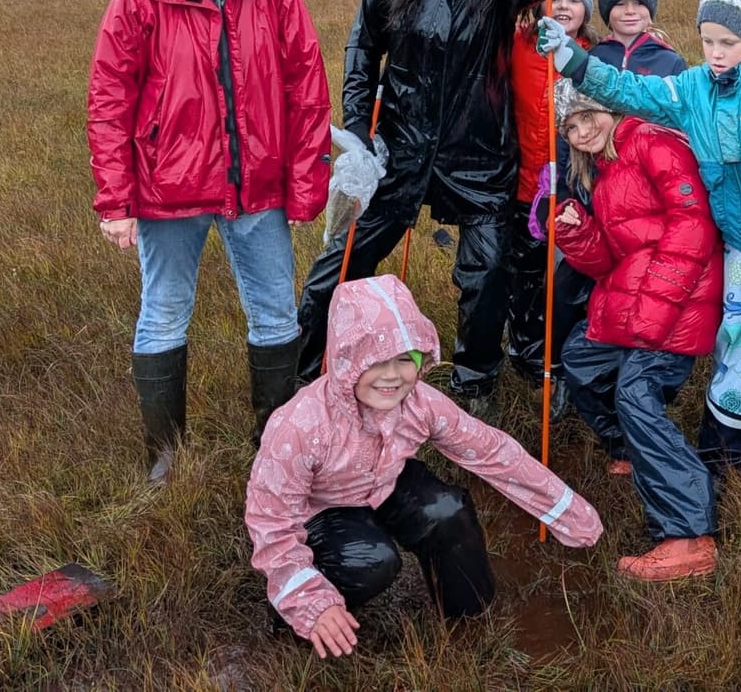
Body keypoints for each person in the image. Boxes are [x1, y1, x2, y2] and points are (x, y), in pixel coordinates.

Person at [292, 0, 574, 417]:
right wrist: (357, 129)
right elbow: (363, 47)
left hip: (480, 153)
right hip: (400, 145)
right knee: (344, 261)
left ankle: (475, 380)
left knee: (488, 270)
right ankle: (300, 376)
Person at [87, 0, 332, 484]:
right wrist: (114, 200)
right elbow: (109, 99)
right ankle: (164, 460)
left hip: (260, 192)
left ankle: (273, 452)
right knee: (163, 312)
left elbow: (307, 88)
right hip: (166, 193)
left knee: (277, 314)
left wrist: (308, 186)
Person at [537, 0, 741, 481]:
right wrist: (572, 57)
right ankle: (726, 454)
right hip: (740, 244)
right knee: (739, 345)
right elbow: (629, 91)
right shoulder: (693, 89)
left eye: (729, 42)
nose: (717, 53)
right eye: (708, 41)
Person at [248, 276, 603, 659]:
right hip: (322, 509)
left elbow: (493, 452)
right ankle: (301, 617)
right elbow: (271, 519)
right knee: (372, 560)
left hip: (384, 482)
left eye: (406, 359)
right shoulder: (300, 425)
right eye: (375, 361)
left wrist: (565, 507)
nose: (392, 375)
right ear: (346, 360)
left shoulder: (420, 403)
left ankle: (467, 619)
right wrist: (307, 599)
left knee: (448, 511)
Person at [552, 81, 724, 580]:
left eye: (588, 117)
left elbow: (693, 229)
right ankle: (632, 447)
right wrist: (576, 232)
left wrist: (650, 318)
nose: (582, 132)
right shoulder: (604, 169)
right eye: (571, 126)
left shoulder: (653, 142)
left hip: (680, 300)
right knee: (582, 361)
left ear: (611, 107)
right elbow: (609, 261)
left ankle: (689, 534)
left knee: (636, 392)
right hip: (634, 298)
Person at [506, 0, 595, 396]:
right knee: (525, 271)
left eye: (574, 0)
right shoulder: (519, 45)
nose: (563, 6)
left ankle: (559, 353)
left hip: (573, 191)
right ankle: (524, 348)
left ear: (586, 12)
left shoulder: (590, 60)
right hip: (524, 186)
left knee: (564, 280)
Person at [592, 0, 686, 75]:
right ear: (607, 12)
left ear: (651, 14)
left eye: (639, 3)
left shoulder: (671, 62)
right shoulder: (593, 57)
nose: (630, 11)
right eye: (620, 4)